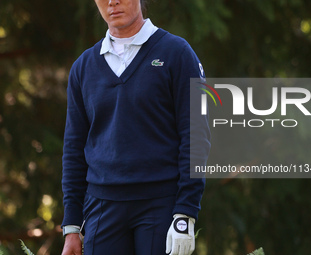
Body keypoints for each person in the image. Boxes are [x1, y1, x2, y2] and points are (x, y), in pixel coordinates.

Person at [61, 0, 210, 254]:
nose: (112, 2)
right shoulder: (83, 68)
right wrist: (72, 226)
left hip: (160, 206)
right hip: (101, 210)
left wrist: (186, 211)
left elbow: (196, 136)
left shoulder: (177, 53)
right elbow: (74, 150)